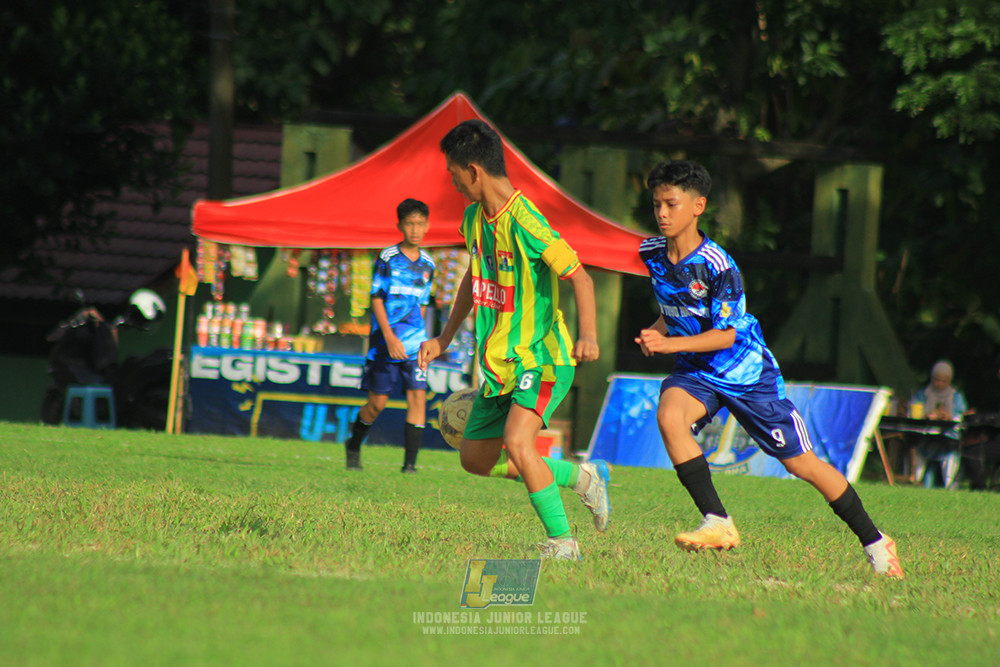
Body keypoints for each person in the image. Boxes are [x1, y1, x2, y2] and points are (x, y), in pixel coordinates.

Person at [634, 159, 904, 578]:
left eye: (671, 204)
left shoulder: (720, 267)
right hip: (696, 370)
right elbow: (676, 308)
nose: (662, 213)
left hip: (745, 376)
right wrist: (656, 332)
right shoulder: (652, 253)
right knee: (669, 416)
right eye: (657, 205)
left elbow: (725, 335)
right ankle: (718, 522)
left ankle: (875, 541)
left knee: (802, 465)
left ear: (698, 206)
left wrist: (668, 343)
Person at [418, 119, 609, 561]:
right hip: (498, 363)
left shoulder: (526, 220)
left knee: (520, 444)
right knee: (475, 460)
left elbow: (580, 277)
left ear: (473, 171)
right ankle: (581, 478)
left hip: (541, 356)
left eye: (452, 174)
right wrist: (445, 337)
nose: (452, 183)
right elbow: (473, 277)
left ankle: (564, 544)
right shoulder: (474, 219)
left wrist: (589, 336)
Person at [344, 198, 436, 473]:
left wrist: (420, 340)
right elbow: (376, 299)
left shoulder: (429, 263)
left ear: (428, 226)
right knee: (377, 404)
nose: (415, 229)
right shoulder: (386, 259)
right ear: (400, 225)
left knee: (418, 397)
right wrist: (390, 337)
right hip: (385, 343)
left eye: (420, 224)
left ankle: (409, 467)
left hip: (414, 343)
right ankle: (353, 444)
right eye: (410, 223)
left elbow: (421, 305)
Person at [912, 360, 967, 489]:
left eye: (944, 380)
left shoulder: (956, 396)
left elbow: (961, 415)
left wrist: (948, 416)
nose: (940, 383)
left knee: (951, 453)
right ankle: (916, 481)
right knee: (918, 449)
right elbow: (916, 410)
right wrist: (927, 415)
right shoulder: (924, 394)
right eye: (937, 380)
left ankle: (949, 484)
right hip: (927, 434)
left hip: (948, 436)